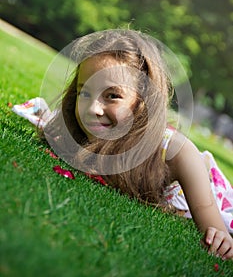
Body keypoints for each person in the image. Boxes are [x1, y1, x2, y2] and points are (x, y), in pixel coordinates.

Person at [14, 29, 233, 260]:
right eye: (85, 93)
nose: (93, 109)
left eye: (112, 96)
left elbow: (214, 227)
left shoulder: (175, 151)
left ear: (142, 101)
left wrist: (221, 240)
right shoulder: (76, 130)